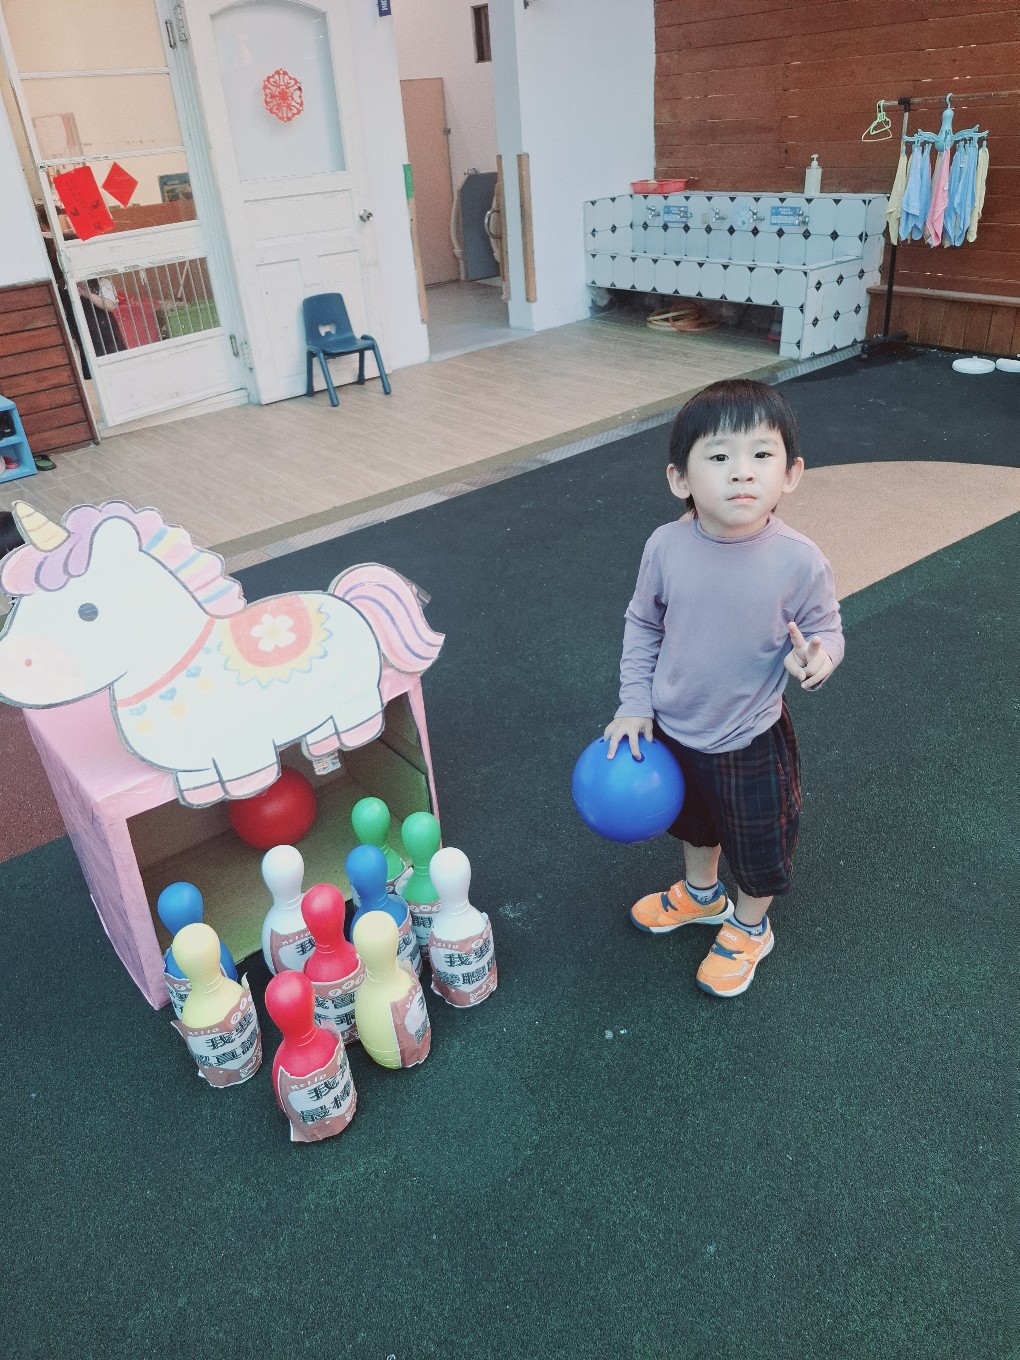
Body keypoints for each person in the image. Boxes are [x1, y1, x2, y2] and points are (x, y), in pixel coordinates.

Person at [603, 378, 844, 999]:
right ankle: (703, 895)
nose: (742, 472)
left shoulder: (798, 559)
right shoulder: (665, 546)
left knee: (758, 843)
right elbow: (643, 623)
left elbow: (825, 629)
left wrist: (818, 659)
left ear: (791, 474)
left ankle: (750, 925)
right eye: (718, 456)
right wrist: (634, 703)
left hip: (749, 737)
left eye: (762, 454)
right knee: (694, 822)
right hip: (675, 729)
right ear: (679, 479)